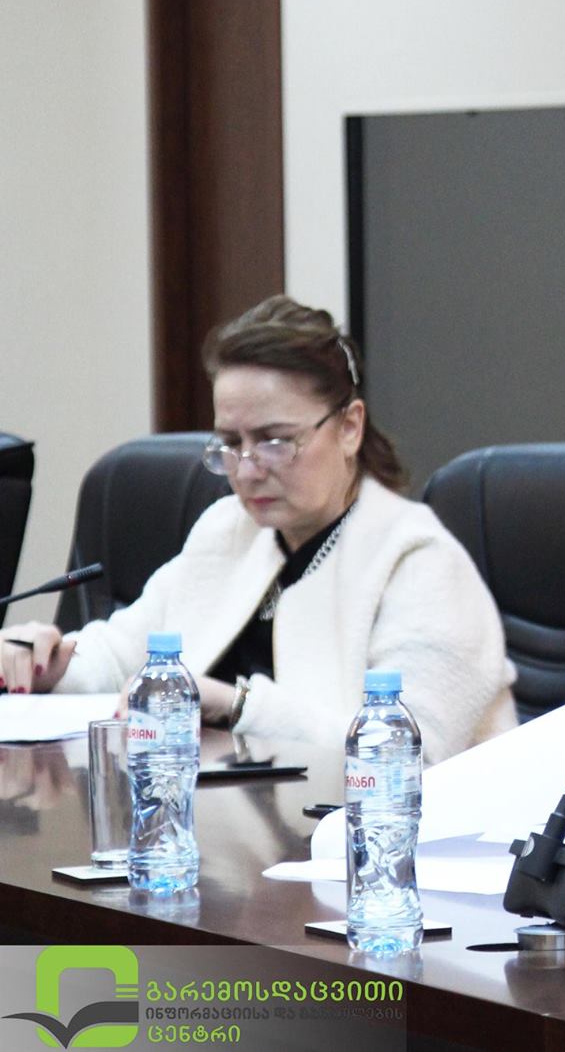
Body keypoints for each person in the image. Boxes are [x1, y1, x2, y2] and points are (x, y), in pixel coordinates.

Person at [0, 297, 515, 763]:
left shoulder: (418, 560)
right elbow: (124, 654)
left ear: (349, 427)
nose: (246, 470)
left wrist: (237, 706)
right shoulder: (229, 530)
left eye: (275, 441)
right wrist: (51, 664)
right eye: (230, 443)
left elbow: (408, 752)